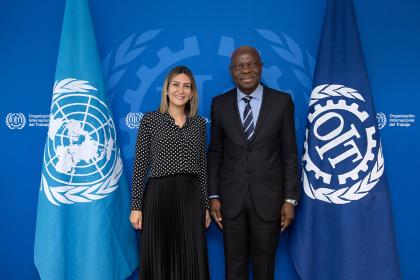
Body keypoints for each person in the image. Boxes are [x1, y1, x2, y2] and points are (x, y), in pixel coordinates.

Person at [207, 46, 299, 280]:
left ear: (260, 67)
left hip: (269, 200)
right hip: (231, 201)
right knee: (234, 268)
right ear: (231, 71)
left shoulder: (282, 102)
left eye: (251, 64)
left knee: (264, 268)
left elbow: (289, 153)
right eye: (239, 66)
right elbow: (216, 153)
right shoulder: (219, 104)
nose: (246, 70)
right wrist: (213, 196)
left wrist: (290, 199)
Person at [130, 66, 211, 280]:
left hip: (190, 197)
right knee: (159, 255)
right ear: (167, 89)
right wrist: (136, 206)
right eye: (176, 84)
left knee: (190, 257)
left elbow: (202, 167)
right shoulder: (150, 120)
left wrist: (205, 206)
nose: (180, 90)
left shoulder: (199, 125)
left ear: (192, 93)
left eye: (187, 86)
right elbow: (140, 165)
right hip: (159, 195)